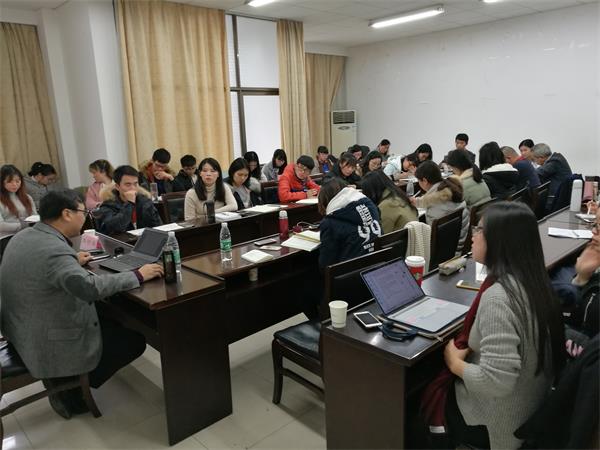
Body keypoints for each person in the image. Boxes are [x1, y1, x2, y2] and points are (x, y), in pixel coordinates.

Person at [0, 189, 163, 419]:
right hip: (45, 337)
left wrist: (71, 260)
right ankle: (71, 385)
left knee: (109, 315)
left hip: (20, 326)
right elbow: (90, 288)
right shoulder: (53, 250)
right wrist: (137, 275)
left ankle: (70, 379)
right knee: (134, 340)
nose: (85, 217)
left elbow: (41, 268)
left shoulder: (25, 236)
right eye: (83, 212)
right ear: (67, 214)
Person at [428, 201, 565, 449]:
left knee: (419, 395)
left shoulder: (499, 298)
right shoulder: (534, 282)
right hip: (530, 409)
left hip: (496, 421)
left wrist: (454, 363)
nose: (473, 235)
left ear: (499, 241)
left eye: (479, 229)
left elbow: (496, 382)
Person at [318, 178, 382, 268]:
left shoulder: (330, 222)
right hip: (379, 263)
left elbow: (326, 264)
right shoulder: (370, 205)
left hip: (352, 271)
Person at [412, 161, 469, 248]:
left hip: (448, 250)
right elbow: (430, 199)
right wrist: (417, 201)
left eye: (419, 181)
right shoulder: (451, 188)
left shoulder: (435, 206)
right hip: (461, 242)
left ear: (425, 181)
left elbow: (432, 239)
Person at [96, 165, 162, 234]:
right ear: (117, 187)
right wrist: (130, 203)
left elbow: (158, 226)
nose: (133, 188)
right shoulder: (108, 205)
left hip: (143, 239)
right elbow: (117, 228)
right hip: (121, 240)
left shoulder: (144, 202)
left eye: (135, 184)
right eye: (128, 185)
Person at [533, 143, 573, 209]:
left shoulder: (555, 161)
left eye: (534, 159)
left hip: (558, 198)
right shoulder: (556, 158)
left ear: (541, 157)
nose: (535, 161)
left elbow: (537, 173)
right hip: (560, 196)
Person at [0, 165, 37, 232]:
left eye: (17, 181)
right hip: (8, 235)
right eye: (9, 181)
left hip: (28, 232)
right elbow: (1, 226)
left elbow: (35, 217)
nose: (14, 184)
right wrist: (24, 225)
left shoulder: (27, 197)